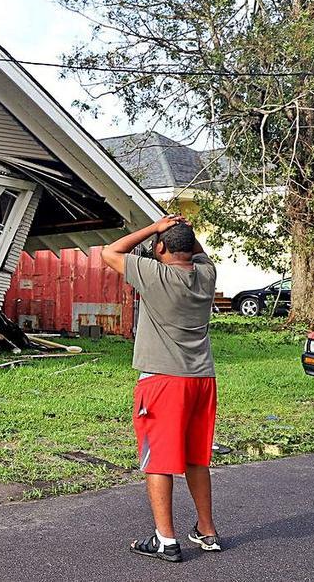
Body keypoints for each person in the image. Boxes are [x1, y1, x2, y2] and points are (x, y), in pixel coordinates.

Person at [101, 214, 222, 562]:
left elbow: (110, 252)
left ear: (159, 248)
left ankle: (165, 540)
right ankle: (207, 531)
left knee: (159, 461)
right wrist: (181, 233)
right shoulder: (206, 275)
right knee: (196, 458)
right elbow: (197, 252)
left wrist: (156, 227)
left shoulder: (155, 274)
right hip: (202, 380)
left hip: (163, 382)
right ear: (190, 247)